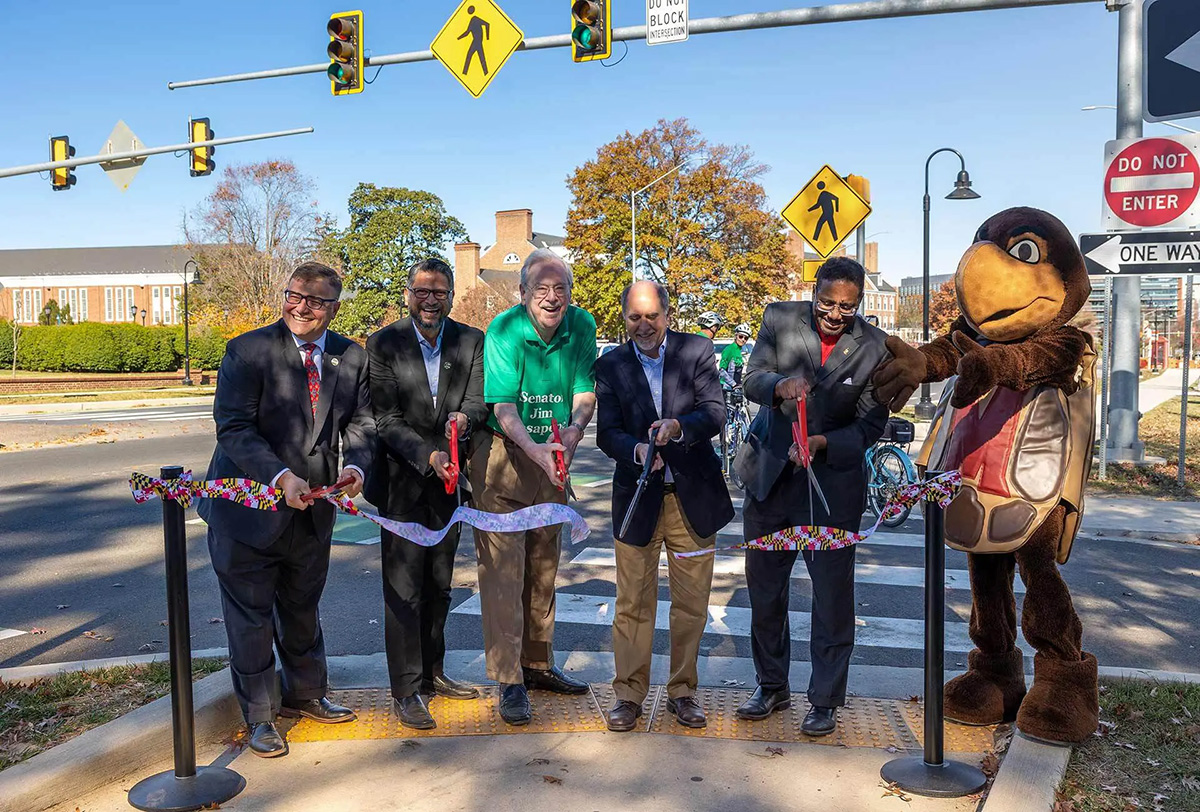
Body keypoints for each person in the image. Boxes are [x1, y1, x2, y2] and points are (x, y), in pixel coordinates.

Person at [199, 261, 375, 758]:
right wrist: (280, 477)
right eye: (294, 295)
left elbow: (362, 424)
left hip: (312, 511)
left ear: (334, 308)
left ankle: (306, 693)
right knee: (250, 618)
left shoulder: (351, 357)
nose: (301, 307)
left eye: (316, 301)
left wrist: (357, 470)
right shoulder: (247, 351)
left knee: (301, 607)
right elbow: (234, 429)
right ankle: (259, 717)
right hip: (247, 512)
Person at [732, 257, 888, 736]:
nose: (836, 314)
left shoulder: (874, 346)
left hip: (832, 487)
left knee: (832, 598)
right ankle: (772, 686)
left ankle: (824, 698)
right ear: (813, 290)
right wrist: (779, 385)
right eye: (827, 302)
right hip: (772, 480)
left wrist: (823, 444)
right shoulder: (779, 318)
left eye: (847, 306)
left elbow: (870, 424)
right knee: (765, 593)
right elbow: (751, 377)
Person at [595, 281, 734, 732]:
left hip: (692, 496)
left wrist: (678, 427)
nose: (644, 325)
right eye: (634, 317)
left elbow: (715, 412)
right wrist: (635, 450)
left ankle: (683, 691)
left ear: (667, 315)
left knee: (691, 603)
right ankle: (629, 695)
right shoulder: (611, 365)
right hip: (637, 498)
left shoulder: (696, 351)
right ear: (624, 319)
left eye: (652, 315)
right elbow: (606, 432)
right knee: (632, 601)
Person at [470, 248, 597, 726]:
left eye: (559, 288)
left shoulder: (581, 327)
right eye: (540, 289)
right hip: (506, 459)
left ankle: (538, 665)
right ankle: (509, 680)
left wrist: (576, 430)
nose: (551, 297)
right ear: (522, 293)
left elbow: (584, 391)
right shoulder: (503, 330)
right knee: (504, 574)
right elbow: (503, 408)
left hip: (554, 456)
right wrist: (536, 449)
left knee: (544, 567)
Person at [365, 258, 488, 731]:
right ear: (408, 295)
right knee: (404, 590)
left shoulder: (471, 341)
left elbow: (476, 402)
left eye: (439, 291)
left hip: (451, 486)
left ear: (452, 295)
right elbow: (386, 419)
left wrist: (465, 421)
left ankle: (435, 672)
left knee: (439, 585)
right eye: (422, 291)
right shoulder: (384, 344)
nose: (430, 299)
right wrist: (429, 457)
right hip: (402, 482)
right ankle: (406, 688)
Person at [719, 322, 753, 390]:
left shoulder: (740, 351)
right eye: (740, 336)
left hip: (735, 388)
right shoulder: (729, 349)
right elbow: (721, 370)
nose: (743, 339)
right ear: (736, 336)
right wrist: (733, 384)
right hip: (726, 387)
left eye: (746, 338)